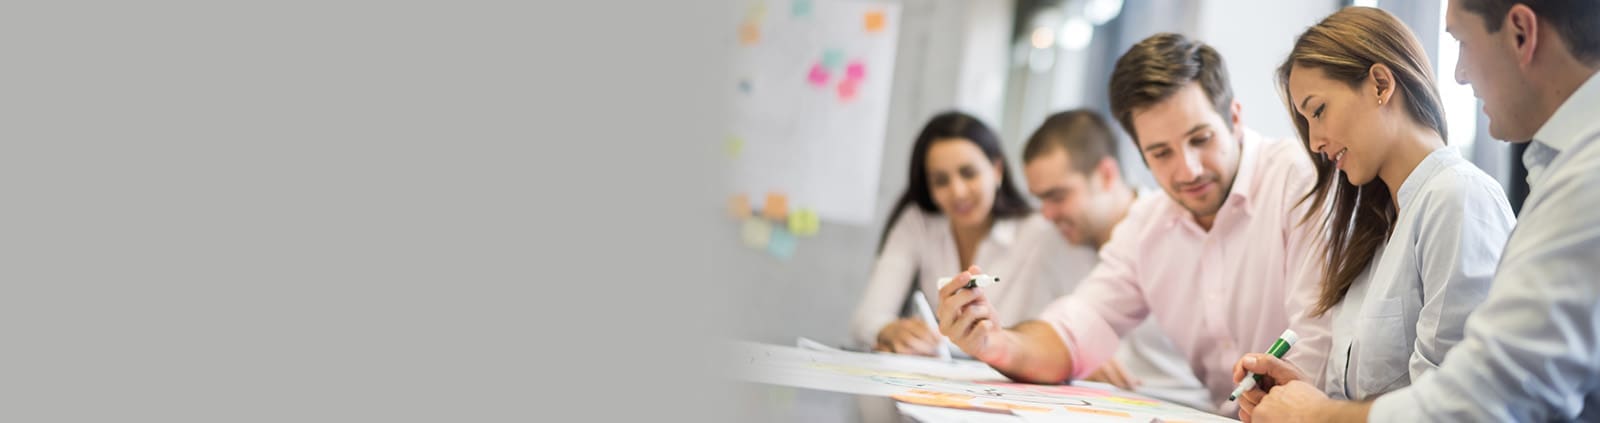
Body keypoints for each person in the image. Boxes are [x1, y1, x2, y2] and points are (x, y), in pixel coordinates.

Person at [935, 33, 1331, 415]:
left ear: (1235, 116)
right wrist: (992, 341)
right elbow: (1073, 332)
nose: (1188, 170)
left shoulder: (1299, 180)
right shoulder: (1147, 225)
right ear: (1140, 154)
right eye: (1161, 153)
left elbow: (1317, 349)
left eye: (1201, 139)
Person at [1241, 0, 1600, 421]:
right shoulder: (1379, 225)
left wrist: (1318, 415)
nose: (1315, 141)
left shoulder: (1457, 197)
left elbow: (1465, 402)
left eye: (1318, 111)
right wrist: (1305, 398)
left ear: (1380, 84)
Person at [851, 111, 1094, 355]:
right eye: (941, 180)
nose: (957, 191)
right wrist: (889, 330)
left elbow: (1085, 321)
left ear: (997, 170)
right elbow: (866, 319)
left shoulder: (1041, 231)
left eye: (969, 173)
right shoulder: (918, 224)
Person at [1020, 109, 1211, 409]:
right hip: (1083, 406)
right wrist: (1072, 360)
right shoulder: (1052, 243)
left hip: (1181, 409)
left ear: (1106, 175)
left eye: (1057, 197)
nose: (1047, 214)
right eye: (1040, 199)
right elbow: (1038, 334)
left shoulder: (1180, 231)